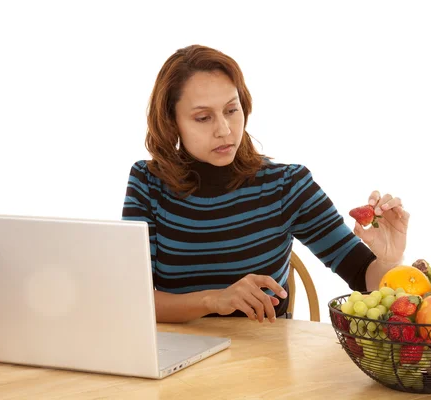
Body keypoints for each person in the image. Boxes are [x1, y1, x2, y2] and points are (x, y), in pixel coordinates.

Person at [122, 44, 409, 324]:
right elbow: (133, 301)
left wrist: (388, 259)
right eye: (203, 117)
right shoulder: (148, 184)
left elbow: (363, 275)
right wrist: (214, 300)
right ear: (172, 122)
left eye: (232, 110)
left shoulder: (286, 185)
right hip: (175, 361)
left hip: (265, 362)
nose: (224, 130)